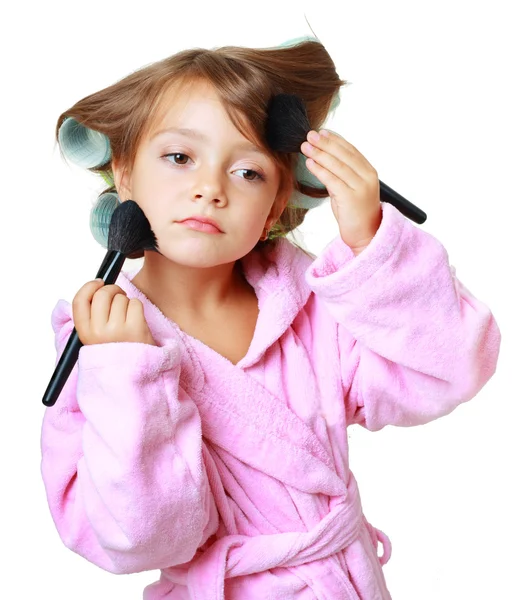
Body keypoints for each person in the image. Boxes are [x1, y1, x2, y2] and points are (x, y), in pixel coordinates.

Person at [40, 36, 501, 600]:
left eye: (249, 173)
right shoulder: (99, 349)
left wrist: (373, 247)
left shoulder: (313, 309)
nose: (209, 188)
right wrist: (127, 376)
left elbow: (452, 368)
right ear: (125, 173)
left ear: (276, 207)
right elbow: (138, 541)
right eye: (180, 157)